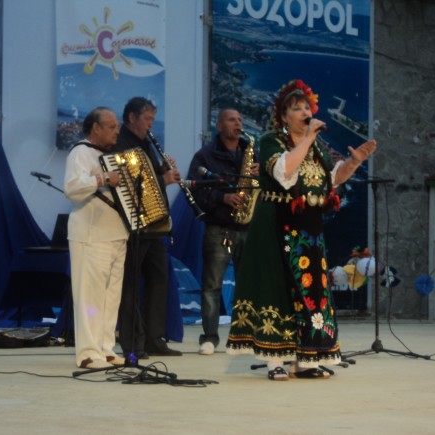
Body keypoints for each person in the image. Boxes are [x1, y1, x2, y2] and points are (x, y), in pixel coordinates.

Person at [226, 79, 377, 380]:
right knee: (277, 288)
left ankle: (306, 359)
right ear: (283, 116)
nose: (305, 112)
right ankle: (275, 360)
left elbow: (331, 179)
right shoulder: (271, 141)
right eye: (296, 108)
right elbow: (283, 172)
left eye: (307, 107)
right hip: (276, 225)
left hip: (308, 229)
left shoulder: (316, 146)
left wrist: (353, 162)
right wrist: (307, 138)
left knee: (311, 290)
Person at [186, 108, 259, 355]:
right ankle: (209, 337)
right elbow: (193, 192)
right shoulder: (205, 156)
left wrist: (261, 175)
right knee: (212, 286)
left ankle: (245, 336)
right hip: (219, 229)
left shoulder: (251, 151)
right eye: (231, 120)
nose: (238, 123)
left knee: (248, 285)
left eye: (240, 119)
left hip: (247, 228)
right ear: (219, 125)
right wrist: (222, 198)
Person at [114, 97, 183, 358]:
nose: (151, 125)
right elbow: (131, 183)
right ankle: (133, 343)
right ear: (132, 118)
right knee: (131, 284)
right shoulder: (121, 142)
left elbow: (149, 177)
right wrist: (163, 178)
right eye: (147, 119)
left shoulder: (146, 143)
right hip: (134, 224)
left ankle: (154, 338)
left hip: (154, 223)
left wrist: (162, 170)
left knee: (159, 278)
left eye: (153, 119)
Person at [64, 107, 128, 369]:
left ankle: (105, 349)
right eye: (112, 127)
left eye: (117, 126)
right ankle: (88, 353)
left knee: (110, 298)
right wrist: (102, 178)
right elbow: (72, 188)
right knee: (90, 298)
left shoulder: (109, 155)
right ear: (96, 128)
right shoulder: (80, 152)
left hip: (116, 234)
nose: (117, 131)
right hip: (91, 235)